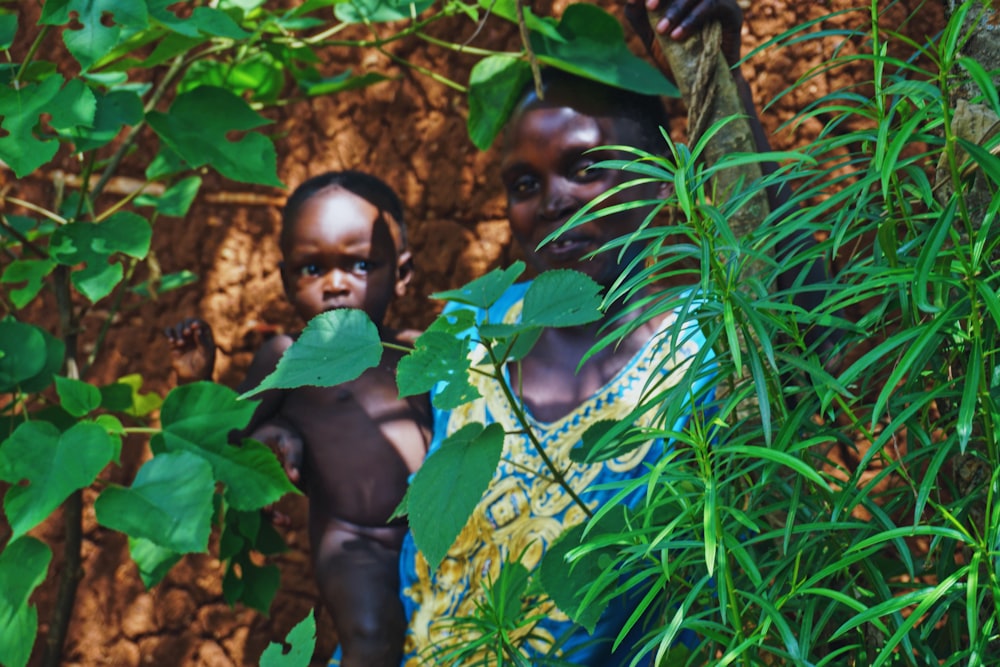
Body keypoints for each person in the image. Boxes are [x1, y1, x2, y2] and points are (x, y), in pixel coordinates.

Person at [396, 0, 804, 664]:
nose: (552, 199)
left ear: (665, 168)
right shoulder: (471, 332)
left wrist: (717, 81)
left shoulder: (710, 339)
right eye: (525, 182)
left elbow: (806, 318)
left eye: (586, 167)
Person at [166, 170, 431, 667]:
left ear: (401, 273)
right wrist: (197, 380)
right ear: (286, 279)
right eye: (312, 269)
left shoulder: (418, 349)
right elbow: (224, 439)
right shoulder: (287, 358)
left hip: (438, 527)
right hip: (358, 539)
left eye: (358, 264)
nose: (334, 285)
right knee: (373, 639)